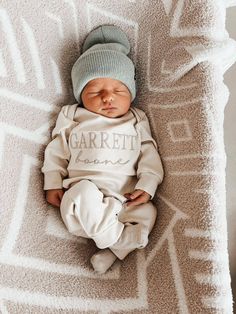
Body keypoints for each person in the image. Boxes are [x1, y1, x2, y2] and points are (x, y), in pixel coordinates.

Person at [41, 25, 164, 273]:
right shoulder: (73, 115)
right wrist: (53, 180)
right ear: (80, 95)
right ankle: (117, 241)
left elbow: (149, 153)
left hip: (125, 200)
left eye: (118, 90)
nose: (108, 97)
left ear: (131, 92)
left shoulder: (136, 118)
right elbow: (57, 148)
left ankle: (110, 251)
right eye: (95, 91)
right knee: (81, 193)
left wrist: (147, 184)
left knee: (149, 213)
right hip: (81, 199)